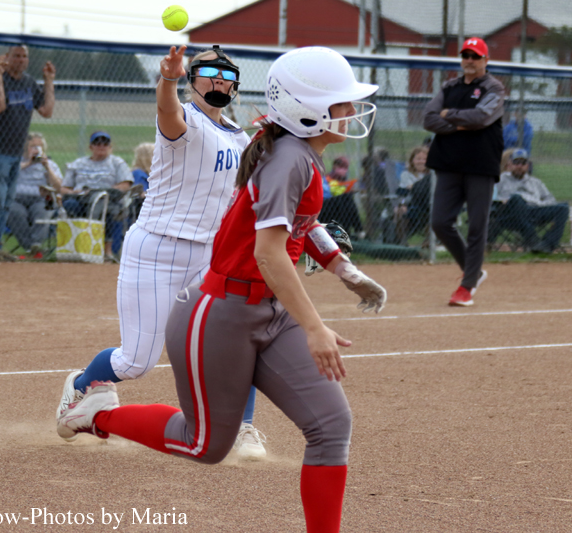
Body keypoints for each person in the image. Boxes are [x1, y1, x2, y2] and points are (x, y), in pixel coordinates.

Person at [57, 47, 387, 533]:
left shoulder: (273, 146)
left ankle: (251, 437)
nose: (351, 111)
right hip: (197, 283)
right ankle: (93, 411)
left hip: (250, 292)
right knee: (188, 424)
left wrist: (345, 269)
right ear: (306, 109)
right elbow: (269, 253)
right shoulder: (267, 151)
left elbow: (302, 224)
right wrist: (315, 327)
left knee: (329, 425)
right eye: (340, 102)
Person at [58, 45, 268, 459]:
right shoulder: (184, 118)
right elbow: (167, 109)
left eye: (227, 74)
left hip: (208, 256)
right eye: (208, 71)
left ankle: (242, 427)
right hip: (156, 249)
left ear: (237, 87)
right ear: (193, 80)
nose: (219, 80)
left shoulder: (243, 139)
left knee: (237, 339)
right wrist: (168, 79)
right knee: (136, 363)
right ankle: (81, 387)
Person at [424, 37, 505, 307]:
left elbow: (482, 117)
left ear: (485, 60)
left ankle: (467, 285)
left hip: (480, 165)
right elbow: (429, 118)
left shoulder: (494, 87)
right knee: (440, 222)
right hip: (449, 163)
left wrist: (449, 115)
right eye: (466, 55)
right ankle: (474, 271)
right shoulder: (450, 86)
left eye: (475, 56)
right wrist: (459, 124)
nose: (469, 60)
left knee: (476, 225)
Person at [0, 45, 55, 261]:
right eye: (16, 56)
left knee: (6, 201)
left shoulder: (29, 82)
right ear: (7, 58)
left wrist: (49, 80)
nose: (21, 60)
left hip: (17, 152)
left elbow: (46, 111)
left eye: (24, 56)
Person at [60, 131, 133, 261]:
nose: (101, 146)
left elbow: (125, 185)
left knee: (106, 207)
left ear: (110, 147)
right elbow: (64, 188)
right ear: (91, 147)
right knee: (69, 205)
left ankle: (107, 252)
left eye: (105, 143)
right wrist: (74, 193)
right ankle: (77, 247)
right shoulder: (78, 163)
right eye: (97, 143)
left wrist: (102, 191)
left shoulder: (117, 163)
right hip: (81, 200)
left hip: (106, 200)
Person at [494, 148, 569, 254]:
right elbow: (490, 197)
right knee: (517, 198)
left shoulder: (536, 182)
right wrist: (502, 200)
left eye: (523, 163)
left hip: (534, 211)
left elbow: (550, 199)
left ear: (527, 165)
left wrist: (541, 205)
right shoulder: (501, 179)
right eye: (516, 162)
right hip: (510, 215)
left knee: (563, 208)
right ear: (509, 165)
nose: (519, 166)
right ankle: (533, 239)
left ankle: (546, 245)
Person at [7, 132, 63, 256]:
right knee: (15, 212)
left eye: (40, 146)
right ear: (24, 147)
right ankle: (29, 247)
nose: (37, 149)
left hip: (40, 198)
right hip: (16, 198)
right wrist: (29, 163)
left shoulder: (50, 164)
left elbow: (59, 188)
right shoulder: (16, 162)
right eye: (33, 146)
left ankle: (36, 244)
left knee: (42, 212)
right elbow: (9, 175)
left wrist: (47, 168)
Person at [317, 156, 364, 239]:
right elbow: (324, 194)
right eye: (340, 166)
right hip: (323, 207)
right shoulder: (325, 178)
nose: (343, 170)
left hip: (337, 207)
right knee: (346, 198)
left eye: (345, 167)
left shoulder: (344, 181)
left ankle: (349, 230)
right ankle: (358, 230)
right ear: (334, 166)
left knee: (347, 201)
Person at [394, 146, 433, 243]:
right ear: (412, 160)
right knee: (399, 211)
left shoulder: (432, 175)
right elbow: (407, 190)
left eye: (424, 159)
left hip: (429, 204)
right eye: (418, 159)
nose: (421, 162)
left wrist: (416, 186)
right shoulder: (406, 174)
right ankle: (401, 241)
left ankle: (429, 242)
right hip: (412, 204)